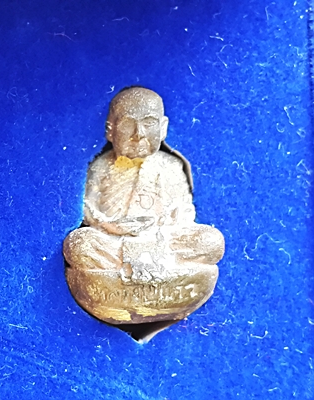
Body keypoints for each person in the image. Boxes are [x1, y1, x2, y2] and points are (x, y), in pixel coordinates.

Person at [64, 87, 224, 284]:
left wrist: (162, 224)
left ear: (163, 128)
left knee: (211, 241)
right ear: (110, 130)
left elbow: (184, 212)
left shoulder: (171, 166)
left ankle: (147, 268)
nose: (138, 134)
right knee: (78, 244)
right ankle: (128, 271)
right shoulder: (101, 167)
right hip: (116, 245)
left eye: (148, 123)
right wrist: (111, 226)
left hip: (164, 242)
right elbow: (89, 210)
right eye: (127, 124)